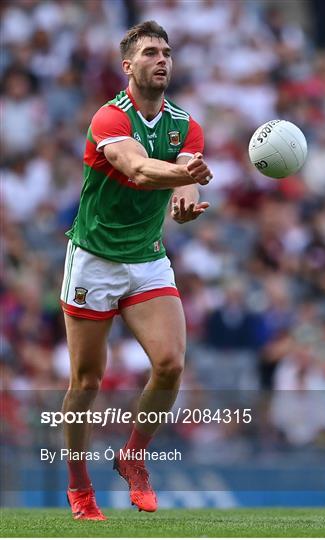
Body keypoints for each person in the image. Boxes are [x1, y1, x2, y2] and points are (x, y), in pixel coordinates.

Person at [60, 20, 213, 521]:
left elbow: (185, 184)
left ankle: (134, 456)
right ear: (128, 66)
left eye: (166, 51)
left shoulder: (185, 124)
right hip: (94, 260)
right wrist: (185, 178)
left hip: (147, 259)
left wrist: (188, 201)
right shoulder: (109, 119)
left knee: (170, 364)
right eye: (150, 52)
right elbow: (141, 170)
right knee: (86, 382)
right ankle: (80, 486)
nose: (161, 59)